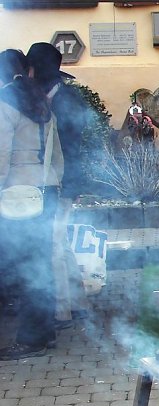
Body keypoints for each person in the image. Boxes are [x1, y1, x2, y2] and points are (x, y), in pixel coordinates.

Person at [0, 49, 64, 359]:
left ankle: (30, 339)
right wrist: (55, 183)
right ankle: (44, 331)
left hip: (17, 193)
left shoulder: (5, 101)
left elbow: (1, 154)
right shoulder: (42, 102)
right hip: (46, 188)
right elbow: (57, 155)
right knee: (40, 264)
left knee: (24, 267)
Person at [27, 42, 91, 328]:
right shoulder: (59, 97)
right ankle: (78, 303)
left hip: (63, 181)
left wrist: (64, 183)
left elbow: (67, 150)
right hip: (63, 180)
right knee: (60, 242)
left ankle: (62, 310)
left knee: (53, 243)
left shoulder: (62, 102)